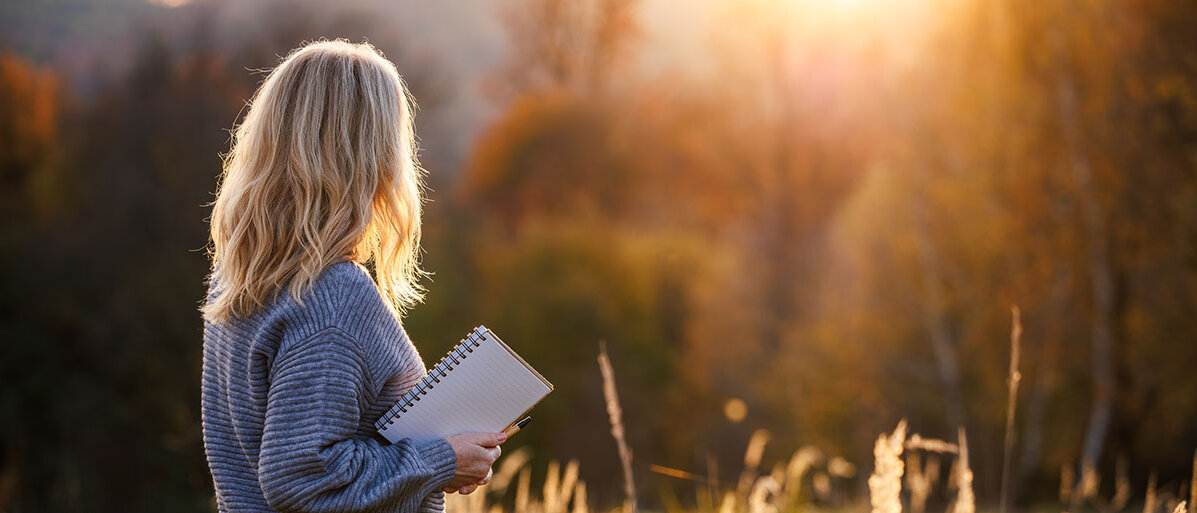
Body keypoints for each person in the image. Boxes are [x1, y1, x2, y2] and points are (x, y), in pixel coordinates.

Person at [199, 39, 503, 513]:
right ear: (371, 155)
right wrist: (441, 460)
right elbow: (301, 478)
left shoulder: (237, 276)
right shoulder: (333, 296)